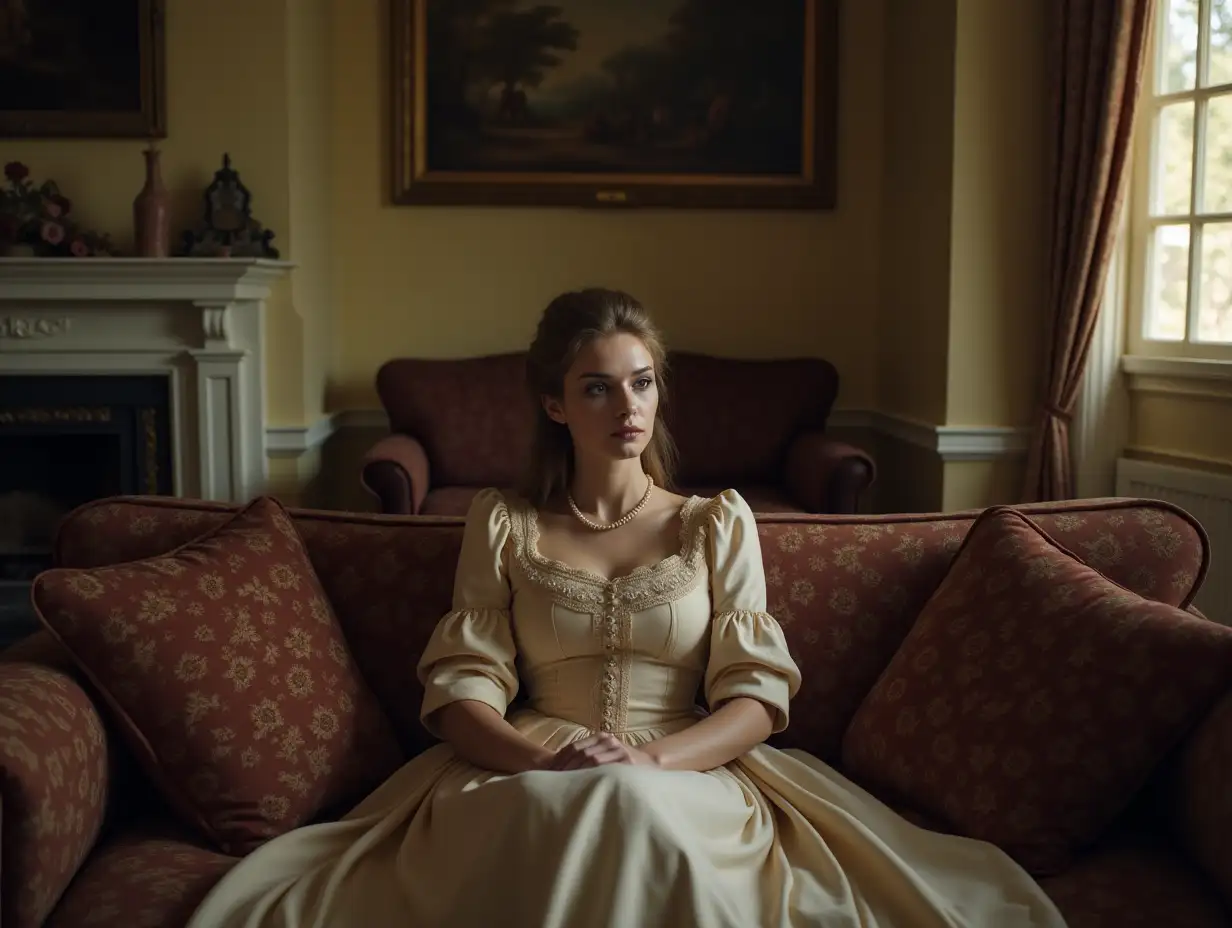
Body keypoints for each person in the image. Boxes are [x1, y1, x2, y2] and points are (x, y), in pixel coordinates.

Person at [186, 289, 1067, 928]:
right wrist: (545, 763)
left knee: (639, 812)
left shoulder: (715, 522)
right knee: (565, 813)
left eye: (642, 383)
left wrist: (649, 762)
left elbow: (757, 700)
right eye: (599, 387)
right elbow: (462, 692)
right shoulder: (503, 524)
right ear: (554, 402)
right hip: (527, 767)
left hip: (687, 769)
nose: (627, 407)